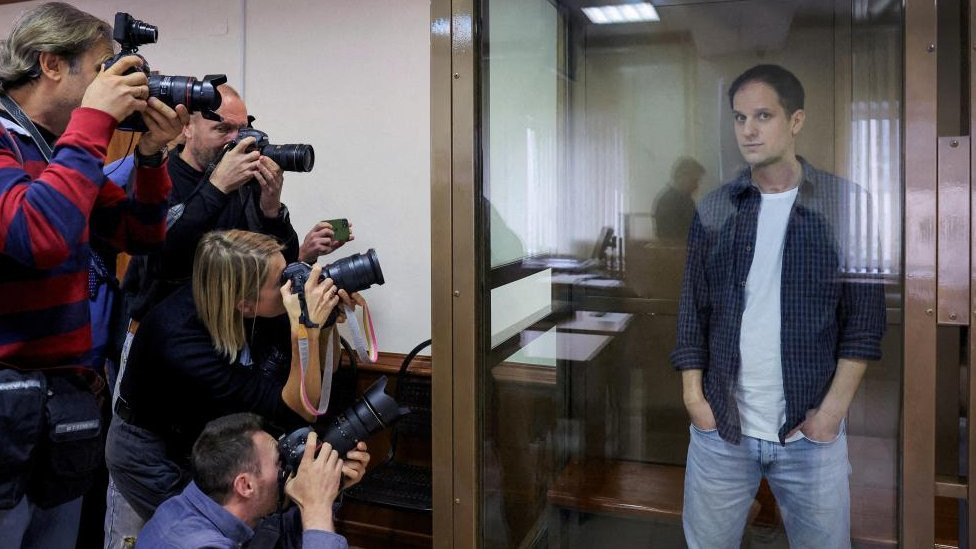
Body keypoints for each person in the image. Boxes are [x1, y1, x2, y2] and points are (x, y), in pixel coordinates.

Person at [671, 64, 886, 549]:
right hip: (722, 429)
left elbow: (865, 321)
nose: (748, 129)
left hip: (809, 432)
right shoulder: (715, 208)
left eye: (763, 115)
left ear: (796, 120)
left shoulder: (846, 204)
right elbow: (692, 311)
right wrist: (694, 401)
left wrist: (830, 415)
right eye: (739, 117)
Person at [0, 3, 186, 547]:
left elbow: (140, 235)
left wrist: (150, 157)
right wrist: (93, 123)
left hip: (59, 410)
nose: (117, 82)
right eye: (105, 67)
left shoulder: (53, 149)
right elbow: (38, 235)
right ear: (52, 64)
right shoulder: (14, 142)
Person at [105, 230, 369, 544]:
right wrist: (306, 329)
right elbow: (298, 409)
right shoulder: (178, 341)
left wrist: (324, 326)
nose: (289, 287)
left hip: (205, 440)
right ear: (244, 305)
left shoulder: (251, 300)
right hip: (148, 451)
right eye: (279, 282)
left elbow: (325, 374)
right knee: (181, 537)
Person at [120, 83, 349, 327]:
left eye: (242, 130)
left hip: (230, 328)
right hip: (164, 326)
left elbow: (280, 263)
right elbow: (161, 258)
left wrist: (271, 210)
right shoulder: (157, 174)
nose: (236, 141)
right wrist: (217, 187)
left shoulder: (244, 180)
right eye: (223, 129)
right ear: (187, 127)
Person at [137, 413, 348, 549]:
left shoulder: (182, 508)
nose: (286, 468)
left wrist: (329, 487)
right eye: (278, 462)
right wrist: (316, 507)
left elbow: (268, 532)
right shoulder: (200, 544)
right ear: (245, 485)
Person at [653, 156, 704, 240]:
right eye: (694, 180)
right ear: (682, 177)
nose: (696, 186)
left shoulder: (682, 200)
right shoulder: (670, 202)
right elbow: (676, 236)